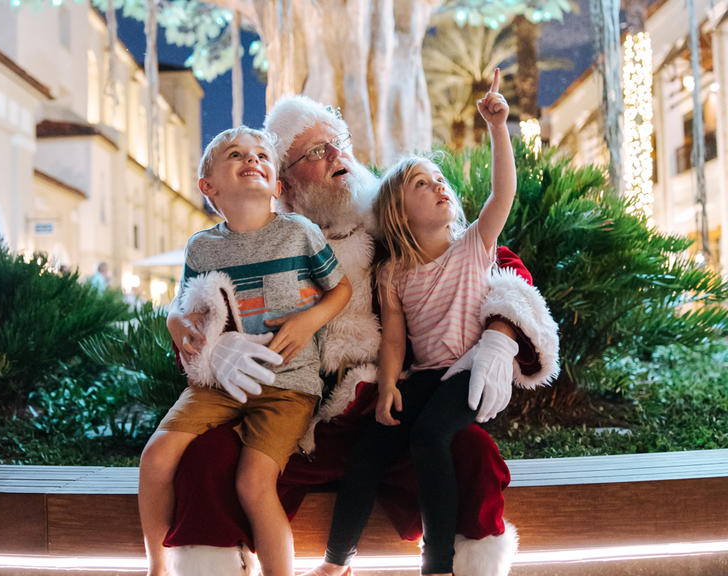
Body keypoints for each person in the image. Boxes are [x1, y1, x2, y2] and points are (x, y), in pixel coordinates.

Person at [163, 96, 559, 576]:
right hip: (290, 422)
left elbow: (502, 267)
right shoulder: (253, 240)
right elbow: (197, 307)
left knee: (470, 452)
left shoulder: (392, 224)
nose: (337, 157)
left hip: (387, 416)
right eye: (315, 152)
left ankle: (455, 566)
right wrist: (210, 346)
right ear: (282, 183)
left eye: (339, 143)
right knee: (206, 458)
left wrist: (500, 335)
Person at [305, 69, 517, 576]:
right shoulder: (394, 272)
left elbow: (502, 192)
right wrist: (385, 389)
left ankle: (437, 563)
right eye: (423, 184)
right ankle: (337, 561)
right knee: (371, 448)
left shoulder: (474, 246)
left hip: (469, 371)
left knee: (428, 439)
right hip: (423, 378)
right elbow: (395, 338)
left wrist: (498, 127)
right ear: (399, 211)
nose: (439, 186)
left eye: (439, 180)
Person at [138, 126, 352, 576]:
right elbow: (184, 307)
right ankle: (158, 567)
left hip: (289, 386)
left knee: (254, 482)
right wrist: (176, 324)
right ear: (209, 186)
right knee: (155, 457)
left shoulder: (300, 233)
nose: (251, 159)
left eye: (261, 155)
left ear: (276, 184)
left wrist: (309, 319)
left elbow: (341, 289)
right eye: (236, 154)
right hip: (219, 382)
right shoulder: (202, 247)